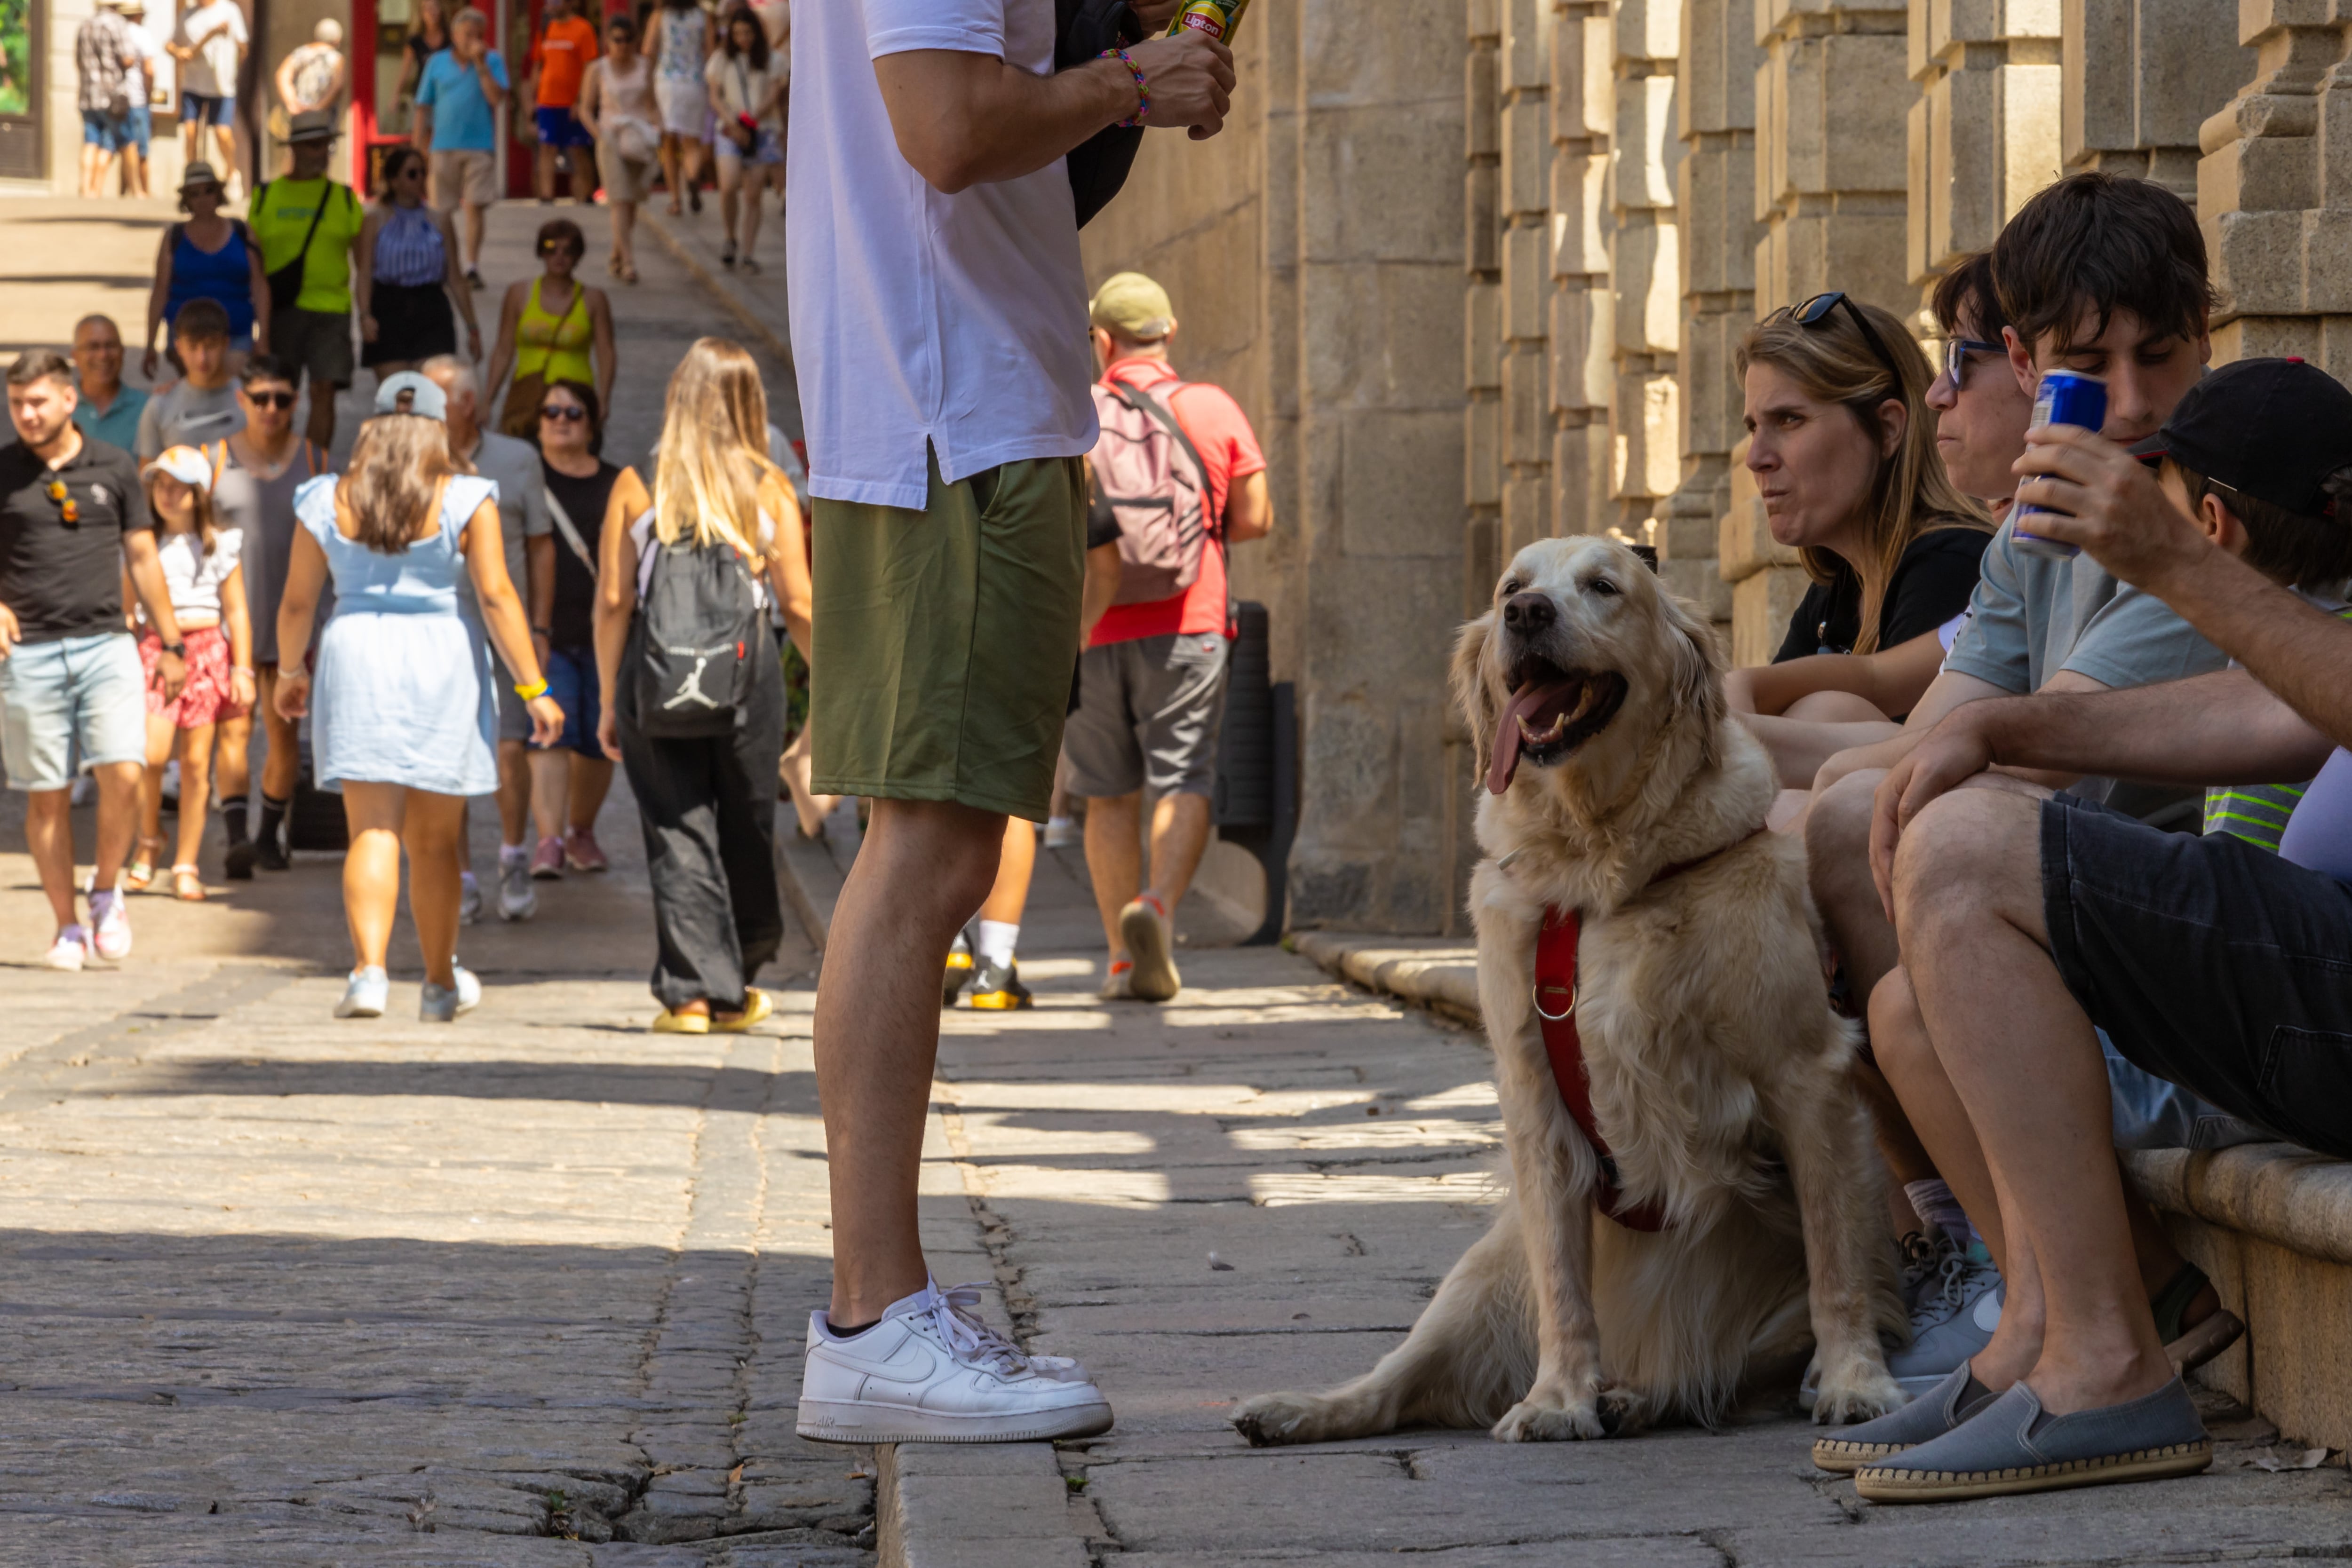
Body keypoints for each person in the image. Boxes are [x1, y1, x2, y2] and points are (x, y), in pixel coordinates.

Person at [787, 0, 1235, 1442]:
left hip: (945, 410)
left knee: (924, 849)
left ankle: (881, 1308)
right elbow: (949, 128)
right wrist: (1128, 82)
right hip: (955, 419)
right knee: (925, 853)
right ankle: (873, 1318)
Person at [1828, 358, 2352, 1501]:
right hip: (2313, 967)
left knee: (1967, 850)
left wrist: (2172, 564)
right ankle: (2042, 1331)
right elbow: (2289, 710)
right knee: (1950, 860)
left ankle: (2110, 1358)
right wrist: (2003, 726)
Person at [1796, 172, 2233, 1396]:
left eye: (2164, 357)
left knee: (1922, 831)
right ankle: (2035, 1296)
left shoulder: (2196, 514)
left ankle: (2099, 1315)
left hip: (2193, 952)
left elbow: (2040, 750)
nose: (2137, 402)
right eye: (2096, 364)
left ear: (2210, 336)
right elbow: (1942, 733)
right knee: (1878, 881)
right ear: (2041, 362)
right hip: (2110, 930)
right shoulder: (2038, 528)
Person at [272, 371, 560, 1022]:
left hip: (356, 654)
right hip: (440, 657)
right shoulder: (466, 497)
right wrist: (533, 688)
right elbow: (496, 596)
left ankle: (369, 973)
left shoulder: (326, 497)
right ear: (438, 427)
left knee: (370, 827)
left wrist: (291, 670)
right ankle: (437, 984)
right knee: (434, 839)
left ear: (372, 425)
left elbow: (296, 601)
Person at [1066, 272, 1272, 1006]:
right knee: (1182, 776)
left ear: (1102, 340)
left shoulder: (1078, 414)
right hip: (1190, 620)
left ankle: (1123, 959)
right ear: (1170, 333)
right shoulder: (1212, 408)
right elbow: (1255, 515)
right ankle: (1156, 906)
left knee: (1107, 795)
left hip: (1093, 626)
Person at [1732, 253, 2040, 742]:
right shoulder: (1839, 589)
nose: (1756, 457)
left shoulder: (1950, 563)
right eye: (1753, 427)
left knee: (1825, 712)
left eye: (1789, 420)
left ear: (1888, 427)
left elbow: (1906, 755)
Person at [592, 338, 803, 1029]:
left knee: (675, 825)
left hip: (655, 675)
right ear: (751, 404)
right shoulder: (769, 486)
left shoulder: (636, 485)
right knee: (748, 820)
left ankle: (688, 993)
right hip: (749, 678)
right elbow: (799, 602)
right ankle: (737, 977)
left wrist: (606, 695)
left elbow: (614, 601)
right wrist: (834, 687)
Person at [0, 351, 190, 971]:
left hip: (108, 643)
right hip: (27, 652)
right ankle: (65, 927)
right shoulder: (3, 471)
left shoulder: (114, 467)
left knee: (126, 773)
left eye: (37, 402)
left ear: (69, 399)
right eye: (16, 403)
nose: (26, 414)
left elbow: (142, 556)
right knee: (47, 796)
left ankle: (105, 889)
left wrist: (171, 642)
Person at [419, 354, 552, 925]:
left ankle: (513, 853)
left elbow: (541, 546)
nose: (418, 410)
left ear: (466, 404)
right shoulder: (413, 467)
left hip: (504, 632)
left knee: (508, 749)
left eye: (432, 399)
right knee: (447, 758)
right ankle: (462, 872)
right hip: (438, 633)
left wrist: (540, 628)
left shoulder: (518, 460)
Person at [211, 354, 327, 876]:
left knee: (283, 734)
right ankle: (236, 839)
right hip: (228, 621)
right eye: (261, 399)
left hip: (294, 626)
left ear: (296, 403)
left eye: (282, 399)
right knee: (233, 730)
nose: (272, 409)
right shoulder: (213, 459)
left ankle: (267, 836)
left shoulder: (318, 461)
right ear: (242, 401)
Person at [122, 445, 252, 903]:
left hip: (207, 650)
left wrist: (242, 668)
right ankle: (149, 837)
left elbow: (236, 611)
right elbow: (128, 610)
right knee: (151, 757)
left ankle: (186, 861)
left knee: (198, 765)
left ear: (198, 494)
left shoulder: (219, 543)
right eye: (160, 484)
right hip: (157, 651)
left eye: (178, 487)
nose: (167, 494)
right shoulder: (142, 542)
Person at [529, 377, 625, 878]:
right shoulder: (527, 477)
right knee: (550, 733)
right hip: (544, 630)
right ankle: (548, 840)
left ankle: (580, 832)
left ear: (591, 422)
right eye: (551, 412)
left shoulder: (617, 483)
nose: (561, 421)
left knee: (595, 739)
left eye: (573, 413)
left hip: (603, 632)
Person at [250, 112, 366, 450]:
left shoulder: (345, 198)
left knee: (324, 389)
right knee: (278, 392)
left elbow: (363, 264)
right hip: (282, 310)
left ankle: (316, 467)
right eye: (315, 146)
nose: (322, 153)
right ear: (296, 149)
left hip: (331, 311)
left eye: (327, 146)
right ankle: (281, 461)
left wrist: (367, 312)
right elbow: (253, 264)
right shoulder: (266, 196)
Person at [484, 219, 615, 439]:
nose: (559, 257)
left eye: (568, 251)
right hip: (528, 395)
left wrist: (603, 399)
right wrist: (487, 400)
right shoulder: (519, 294)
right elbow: (504, 350)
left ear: (578, 256)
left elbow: (606, 351)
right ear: (541, 252)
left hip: (576, 399)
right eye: (551, 249)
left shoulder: (593, 299)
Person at [357, 145, 480, 379]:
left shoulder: (440, 220)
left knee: (429, 392)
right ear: (394, 181)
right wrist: (365, 314)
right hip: (389, 307)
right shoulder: (375, 219)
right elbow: (365, 273)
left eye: (424, 173)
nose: (420, 179)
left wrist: (472, 327)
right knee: (397, 393)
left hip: (430, 307)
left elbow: (455, 277)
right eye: (412, 174)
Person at [414, 6, 510, 288]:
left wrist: (480, 65)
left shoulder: (493, 61)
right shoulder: (437, 62)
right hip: (443, 145)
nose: (473, 39)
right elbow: (423, 106)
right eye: (468, 34)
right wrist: (418, 144)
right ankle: (442, 264)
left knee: (475, 207)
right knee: (440, 211)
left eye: (479, 35)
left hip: (479, 146)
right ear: (455, 35)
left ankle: (471, 266)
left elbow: (496, 99)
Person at [145, 163, 268, 380]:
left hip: (236, 332)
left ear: (219, 193)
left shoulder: (242, 232)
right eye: (195, 194)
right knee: (198, 393)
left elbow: (259, 285)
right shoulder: (174, 237)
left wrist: (264, 337)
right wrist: (150, 344)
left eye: (209, 191)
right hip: (187, 335)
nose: (203, 199)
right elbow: (160, 291)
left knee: (229, 393)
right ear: (187, 200)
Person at [580, 15, 657, 284]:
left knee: (632, 203)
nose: (622, 46)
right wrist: (600, 134)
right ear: (608, 41)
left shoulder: (645, 67)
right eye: (617, 40)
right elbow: (585, 109)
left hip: (640, 138)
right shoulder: (597, 69)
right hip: (611, 138)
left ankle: (617, 253)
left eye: (628, 40)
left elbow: (653, 103)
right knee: (620, 200)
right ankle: (628, 263)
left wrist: (658, 129)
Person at [706, 8, 782, 272]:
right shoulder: (722, 59)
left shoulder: (772, 59)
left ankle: (748, 253)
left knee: (754, 194)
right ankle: (730, 237)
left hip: (762, 130)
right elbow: (715, 96)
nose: (743, 38)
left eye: (748, 33)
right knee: (729, 184)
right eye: (737, 33)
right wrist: (733, 122)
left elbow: (774, 94)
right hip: (730, 129)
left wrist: (752, 119)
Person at [136, 299, 243, 459]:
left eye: (211, 346)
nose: (202, 358)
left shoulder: (252, 401)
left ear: (225, 344)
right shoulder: (160, 406)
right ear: (179, 348)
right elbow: (147, 475)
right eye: (193, 347)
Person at [525, 0, 600, 203]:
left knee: (578, 149)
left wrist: (581, 100)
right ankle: (547, 196)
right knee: (546, 147)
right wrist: (533, 99)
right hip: (547, 101)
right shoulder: (546, 28)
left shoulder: (583, 29)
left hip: (572, 102)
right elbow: (537, 65)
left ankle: (586, 195)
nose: (551, 5)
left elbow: (589, 68)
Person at [169, 0, 246, 191]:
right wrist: (178, 52)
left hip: (221, 85)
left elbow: (243, 46)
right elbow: (171, 44)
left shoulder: (229, 10)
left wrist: (232, 69)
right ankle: (192, 176)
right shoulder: (187, 14)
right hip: (193, 82)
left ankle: (231, 172)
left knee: (222, 132)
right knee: (190, 131)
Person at [648, 0, 709, 218]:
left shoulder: (660, 16)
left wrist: (647, 92)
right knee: (692, 144)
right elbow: (709, 51)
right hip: (695, 82)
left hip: (667, 82)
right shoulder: (703, 16)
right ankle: (692, 176)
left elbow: (649, 50)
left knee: (669, 144)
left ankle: (676, 200)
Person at [75, 0, 135, 198]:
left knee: (90, 141)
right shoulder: (117, 23)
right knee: (111, 142)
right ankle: (97, 189)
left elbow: (78, 60)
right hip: (111, 96)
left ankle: (86, 188)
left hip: (87, 94)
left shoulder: (86, 24)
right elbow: (128, 58)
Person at [70, 315, 149, 454]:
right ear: (75, 356)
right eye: (93, 347)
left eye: (110, 346)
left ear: (123, 352)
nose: (103, 355)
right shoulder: (59, 409)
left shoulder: (146, 408)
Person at [118, 0, 163, 197]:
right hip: (137, 98)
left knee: (125, 148)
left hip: (117, 99)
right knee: (141, 150)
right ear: (138, 15)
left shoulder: (117, 33)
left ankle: (123, 192)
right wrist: (149, 94)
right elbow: (149, 70)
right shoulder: (141, 34)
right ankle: (143, 191)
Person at [275, 19, 345, 123]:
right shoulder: (336, 58)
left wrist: (292, 103)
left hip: (299, 114)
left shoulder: (302, 53)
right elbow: (338, 85)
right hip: (324, 119)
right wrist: (319, 107)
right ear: (337, 39)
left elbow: (282, 75)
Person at [395, 0, 451, 124]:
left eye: (435, 7)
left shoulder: (451, 38)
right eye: (427, 9)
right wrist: (397, 95)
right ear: (421, 14)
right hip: (423, 93)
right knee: (424, 133)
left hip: (447, 94)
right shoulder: (416, 41)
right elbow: (405, 70)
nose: (432, 12)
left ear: (441, 10)